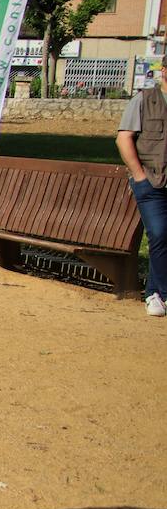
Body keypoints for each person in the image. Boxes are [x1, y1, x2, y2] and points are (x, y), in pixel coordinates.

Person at [115, 61, 167, 317]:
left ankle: (154, 293)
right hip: (151, 181)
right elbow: (124, 138)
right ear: (164, 71)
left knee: (163, 237)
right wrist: (139, 175)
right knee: (159, 233)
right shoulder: (145, 99)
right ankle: (164, 294)